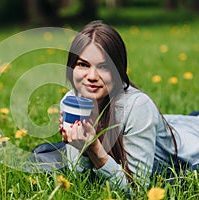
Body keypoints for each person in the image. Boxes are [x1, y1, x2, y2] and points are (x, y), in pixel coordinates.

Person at [58, 20, 199, 188]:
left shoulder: (137, 107)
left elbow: (137, 190)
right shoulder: (70, 103)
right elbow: (81, 180)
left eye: (103, 66)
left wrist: (95, 150)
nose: (92, 76)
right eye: (83, 64)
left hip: (190, 147)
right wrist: (83, 150)